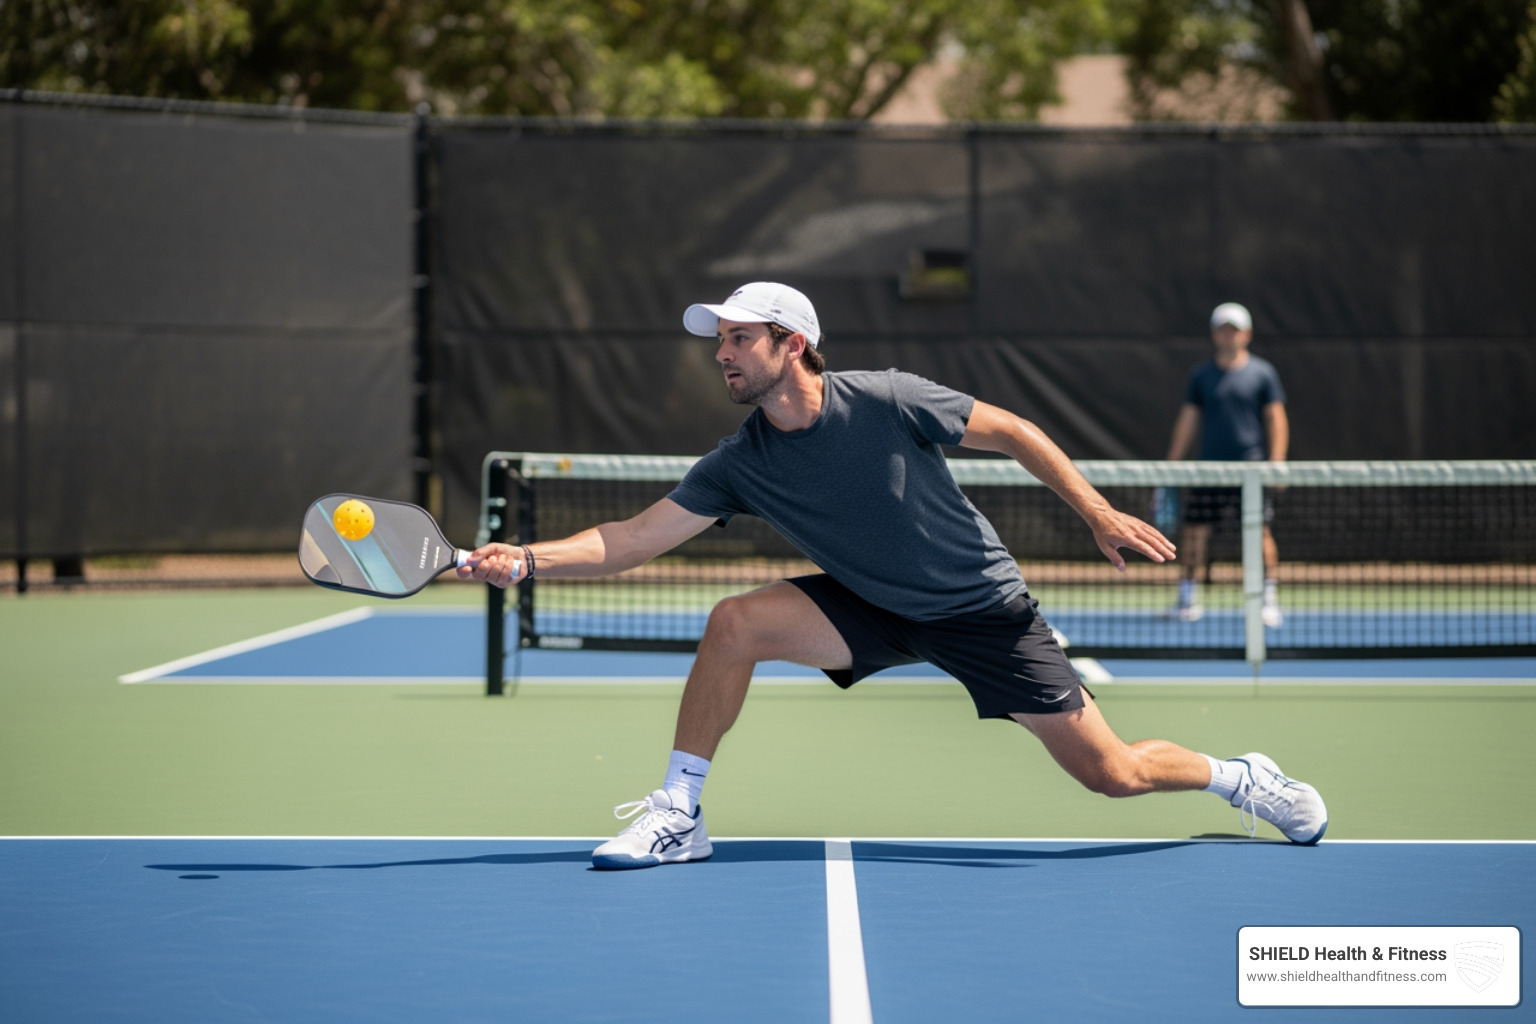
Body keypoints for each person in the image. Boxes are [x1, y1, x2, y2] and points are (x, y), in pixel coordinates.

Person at [463, 282, 1326, 868]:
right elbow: (634, 537)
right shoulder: (739, 461)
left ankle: (1240, 777)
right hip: (868, 606)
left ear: (790, 343)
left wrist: (1095, 511)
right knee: (735, 622)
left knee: (1113, 773)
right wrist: (529, 558)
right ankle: (679, 815)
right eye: (717, 342)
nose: (721, 354)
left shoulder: (884, 398)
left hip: (979, 609)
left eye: (737, 339)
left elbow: (1017, 430)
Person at [1165, 302, 1289, 626]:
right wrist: (1171, 464)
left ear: (1246, 334)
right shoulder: (1201, 375)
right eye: (1222, 329)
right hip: (1209, 470)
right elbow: (1189, 418)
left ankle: (1268, 600)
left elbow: (1275, 416)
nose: (1228, 335)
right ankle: (1187, 599)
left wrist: (1277, 461)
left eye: (1234, 329)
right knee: (1193, 533)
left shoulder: (1262, 373)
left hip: (1251, 471)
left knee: (1259, 533)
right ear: (1214, 334)